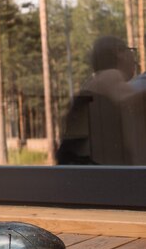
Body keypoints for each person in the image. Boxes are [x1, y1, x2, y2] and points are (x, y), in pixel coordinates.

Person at [57, 35, 144, 165]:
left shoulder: (95, 80)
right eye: (130, 51)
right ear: (119, 53)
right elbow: (130, 102)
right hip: (87, 163)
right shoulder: (109, 75)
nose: (134, 59)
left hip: (78, 161)